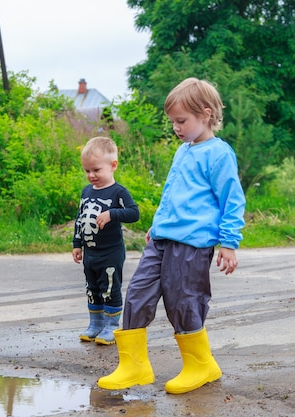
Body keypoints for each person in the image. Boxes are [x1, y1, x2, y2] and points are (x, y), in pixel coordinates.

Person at [97, 78, 246, 394]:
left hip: (193, 244)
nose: (176, 127)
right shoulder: (182, 150)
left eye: (182, 121)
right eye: (173, 122)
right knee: (137, 293)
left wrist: (229, 242)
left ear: (205, 114)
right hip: (162, 238)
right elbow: (172, 192)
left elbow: (232, 199)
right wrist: (158, 223)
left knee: (183, 300)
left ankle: (200, 365)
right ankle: (134, 367)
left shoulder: (218, 154)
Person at [73, 136, 140, 345]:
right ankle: (95, 324)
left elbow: (133, 213)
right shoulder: (86, 192)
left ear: (113, 166)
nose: (91, 175)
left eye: (96, 170)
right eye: (87, 171)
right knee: (92, 287)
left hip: (110, 252)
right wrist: (77, 244)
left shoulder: (118, 192)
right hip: (91, 253)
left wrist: (112, 214)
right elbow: (80, 218)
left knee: (109, 287)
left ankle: (111, 326)